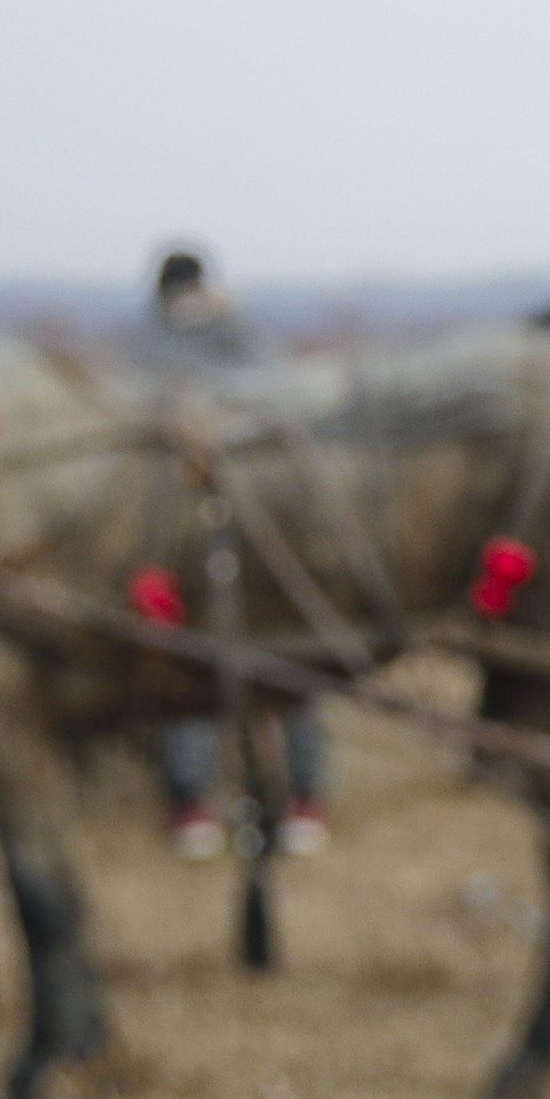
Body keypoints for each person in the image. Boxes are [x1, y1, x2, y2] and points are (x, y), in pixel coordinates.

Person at [131, 246, 329, 856]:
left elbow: (278, 394)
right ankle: (193, 802)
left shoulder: (239, 336)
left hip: (257, 517)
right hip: (180, 526)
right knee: (188, 659)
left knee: (286, 658)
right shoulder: (147, 344)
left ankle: (304, 797)